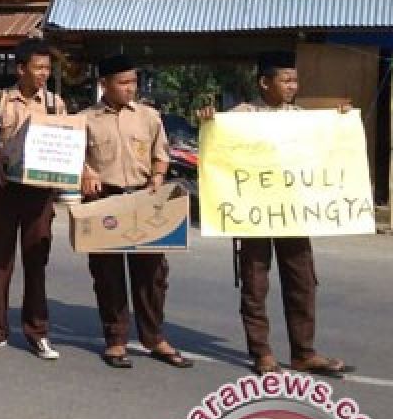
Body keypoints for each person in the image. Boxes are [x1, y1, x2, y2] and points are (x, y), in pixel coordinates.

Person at [197, 51, 353, 377]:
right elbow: (217, 148)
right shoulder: (240, 116)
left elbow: (326, 145)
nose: (292, 86)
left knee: (302, 283)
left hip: (292, 213)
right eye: (285, 80)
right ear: (264, 82)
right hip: (253, 216)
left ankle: (304, 353)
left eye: (295, 80)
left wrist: (341, 122)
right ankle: (262, 354)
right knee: (255, 285)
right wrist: (208, 119)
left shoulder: (300, 117)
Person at [80, 54, 192, 369]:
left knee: (153, 275)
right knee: (107, 275)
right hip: (104, 201)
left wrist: (157, 176)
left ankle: (154, 337)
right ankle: (115, 340)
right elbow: (71, 159)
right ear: (104, 84)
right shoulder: (86, 119)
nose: (131, 88)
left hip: (144, 199)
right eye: (123, 82)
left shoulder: (149, 117)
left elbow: (161, 155)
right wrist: (84, 170)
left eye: (134, 82)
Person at [0, 37, 65, 360]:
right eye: (38, 67)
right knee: (0, 261)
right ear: (21, 68)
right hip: (5, 191)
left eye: (47, 69)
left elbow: (65, 142)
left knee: (36, 262)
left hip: (40, 196)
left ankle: (37, 332)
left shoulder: (55, 104)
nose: (43, 74)